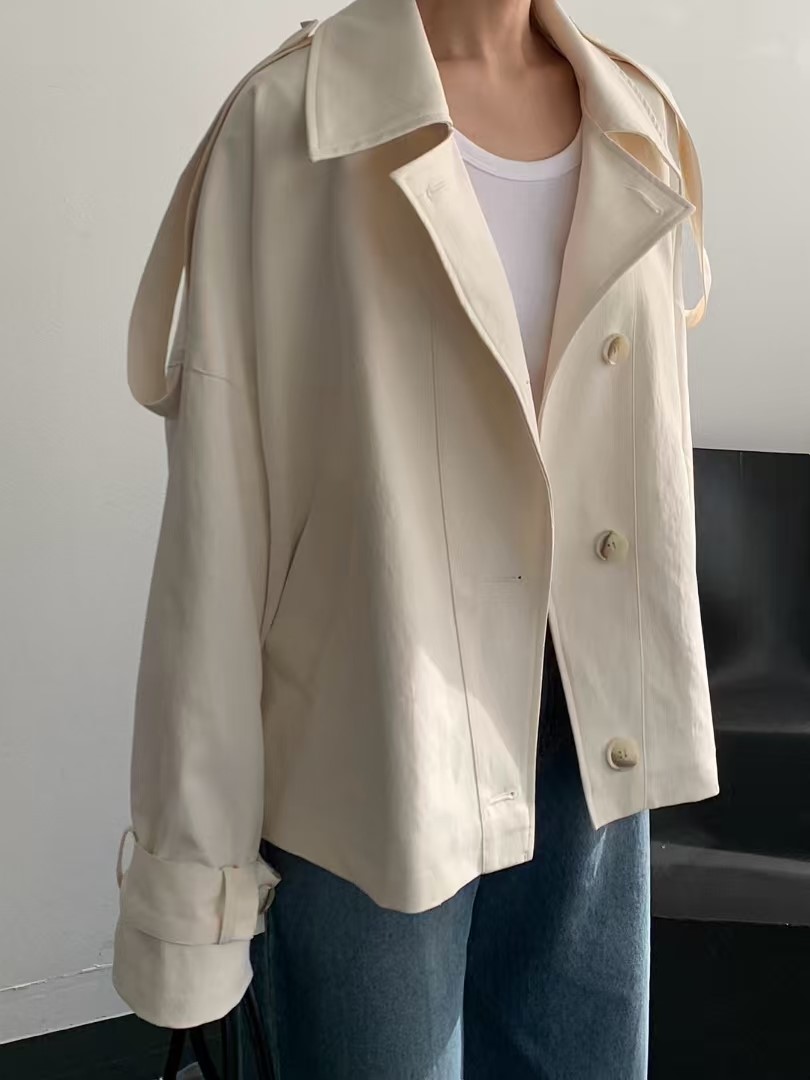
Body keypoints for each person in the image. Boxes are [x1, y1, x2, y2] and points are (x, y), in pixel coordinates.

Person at [113, 0, 717, 1077]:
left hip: (591, 735)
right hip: (373, 754)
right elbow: (217, 529)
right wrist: (193, 877)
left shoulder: (638, 118)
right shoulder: (290, 123)